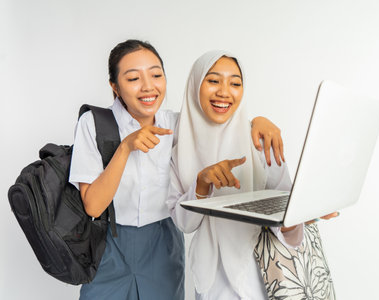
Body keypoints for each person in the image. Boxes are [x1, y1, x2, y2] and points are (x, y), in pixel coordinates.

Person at [69, 40, 286, 300]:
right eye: (133, 78)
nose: (148, 86)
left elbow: (218, 119)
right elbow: (93, 206)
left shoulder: (177, 125)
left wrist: (258, 121)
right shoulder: (93, 123)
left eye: (156, 75)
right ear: (115, 87)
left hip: (163, 245)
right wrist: (125, 148)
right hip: (109, 246)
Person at [167, 51, 337, 299]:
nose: (225, 92)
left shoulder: (259, 140)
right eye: (213, 80)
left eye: (235, 83)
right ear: (195, 85)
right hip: (212, 280)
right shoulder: (179, 149)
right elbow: (184, 224)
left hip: (265, 274)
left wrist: (305, 212)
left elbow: (285, 203)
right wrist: (202, 184)